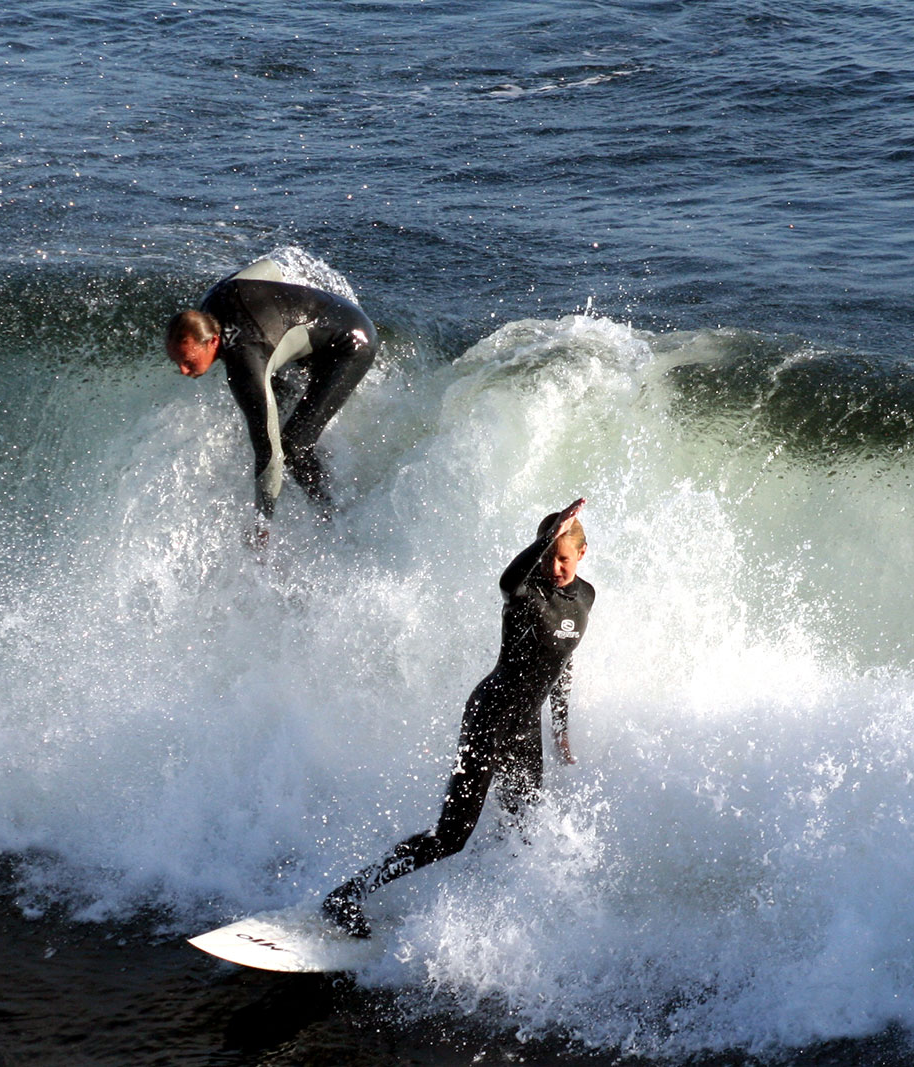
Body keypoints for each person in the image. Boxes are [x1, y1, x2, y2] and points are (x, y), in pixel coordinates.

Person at [322, 498, 595, 937]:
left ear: (581, 554)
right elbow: (508, 580)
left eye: (562, 559)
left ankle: (495, 930)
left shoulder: (585, 597)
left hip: (526, 728)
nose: (554, 568)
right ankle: (349, 894)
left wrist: (561, 727)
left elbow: (564, 662)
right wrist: (545, 538)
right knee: (452, 836)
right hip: (489, 718)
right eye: (547, 557)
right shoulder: (526, 593)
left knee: (524, 832)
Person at [164, 259, 379, 535]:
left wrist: (261, 524)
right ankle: (314, 465)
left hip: (351, 343)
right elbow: (270, 268)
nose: (183, 370)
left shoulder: (244, 363)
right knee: (277, 401)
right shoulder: (214, 299)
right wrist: (285, 307)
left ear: (213, 342)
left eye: (188, 361)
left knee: (292, 445)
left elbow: (269, 453)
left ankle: (335, 516)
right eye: (177, 361)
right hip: (329, 311)